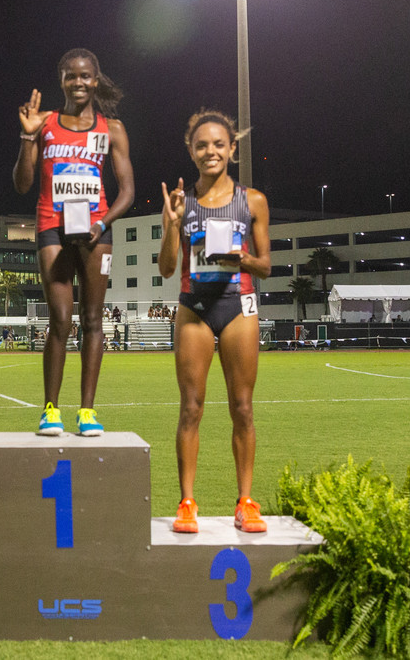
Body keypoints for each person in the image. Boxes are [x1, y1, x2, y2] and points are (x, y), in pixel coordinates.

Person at [158, 109, 271, 534]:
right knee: (191, 408)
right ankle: (187, 503)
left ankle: (245, 501)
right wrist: (171, 225)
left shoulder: (253, 200)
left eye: (218, 144)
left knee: (242, 408)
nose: (211, 152)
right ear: (191, 150)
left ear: (232, 149)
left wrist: (241, 258)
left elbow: (265, 266)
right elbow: (167, 269)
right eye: (202, 145)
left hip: (238, 305)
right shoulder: (180, 203)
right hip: (194, 310)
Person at [13, 48, 135, 436]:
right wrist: (27, 137)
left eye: (85, 76)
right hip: (52, 224)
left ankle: (87, 411)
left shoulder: (111, 129)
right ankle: (50, 409)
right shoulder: (45, 122)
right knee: (61, 320)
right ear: (61, 80)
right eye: (71, 76)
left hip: (97, 230)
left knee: (94, 319)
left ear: (95, 81)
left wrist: (104, 222)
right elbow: (23, 183)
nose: (78, 83)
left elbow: (128, 191)